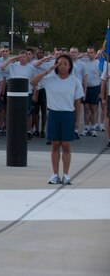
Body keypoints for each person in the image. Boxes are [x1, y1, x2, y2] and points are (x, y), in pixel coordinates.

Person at [31, 54, 83, 185]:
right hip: (53, 114)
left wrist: (77, 120)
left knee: (66, 145)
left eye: (66, 64)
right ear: (56, 65)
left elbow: (77, 102)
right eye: (60, 63)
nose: (63, 66)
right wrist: (46, 72)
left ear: (70, 66)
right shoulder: (50, 79)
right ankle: (55, 174)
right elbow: (33, 82)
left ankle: (66, 174)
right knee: (55, 145)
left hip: (68, 115)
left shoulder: (75, 81)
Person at [82, 47, 102, 137]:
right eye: (88, 52)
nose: (90, 54)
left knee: (93, 109)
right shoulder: (84, 62)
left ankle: (93, 127)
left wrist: (100, 91)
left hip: (95, 87)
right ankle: (86, 127)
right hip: (86, 88)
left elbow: (102, 78)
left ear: (95, 53)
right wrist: (83, 55)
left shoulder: (98, 63)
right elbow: (73, 56)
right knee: (86, 108)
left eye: (91, 52)